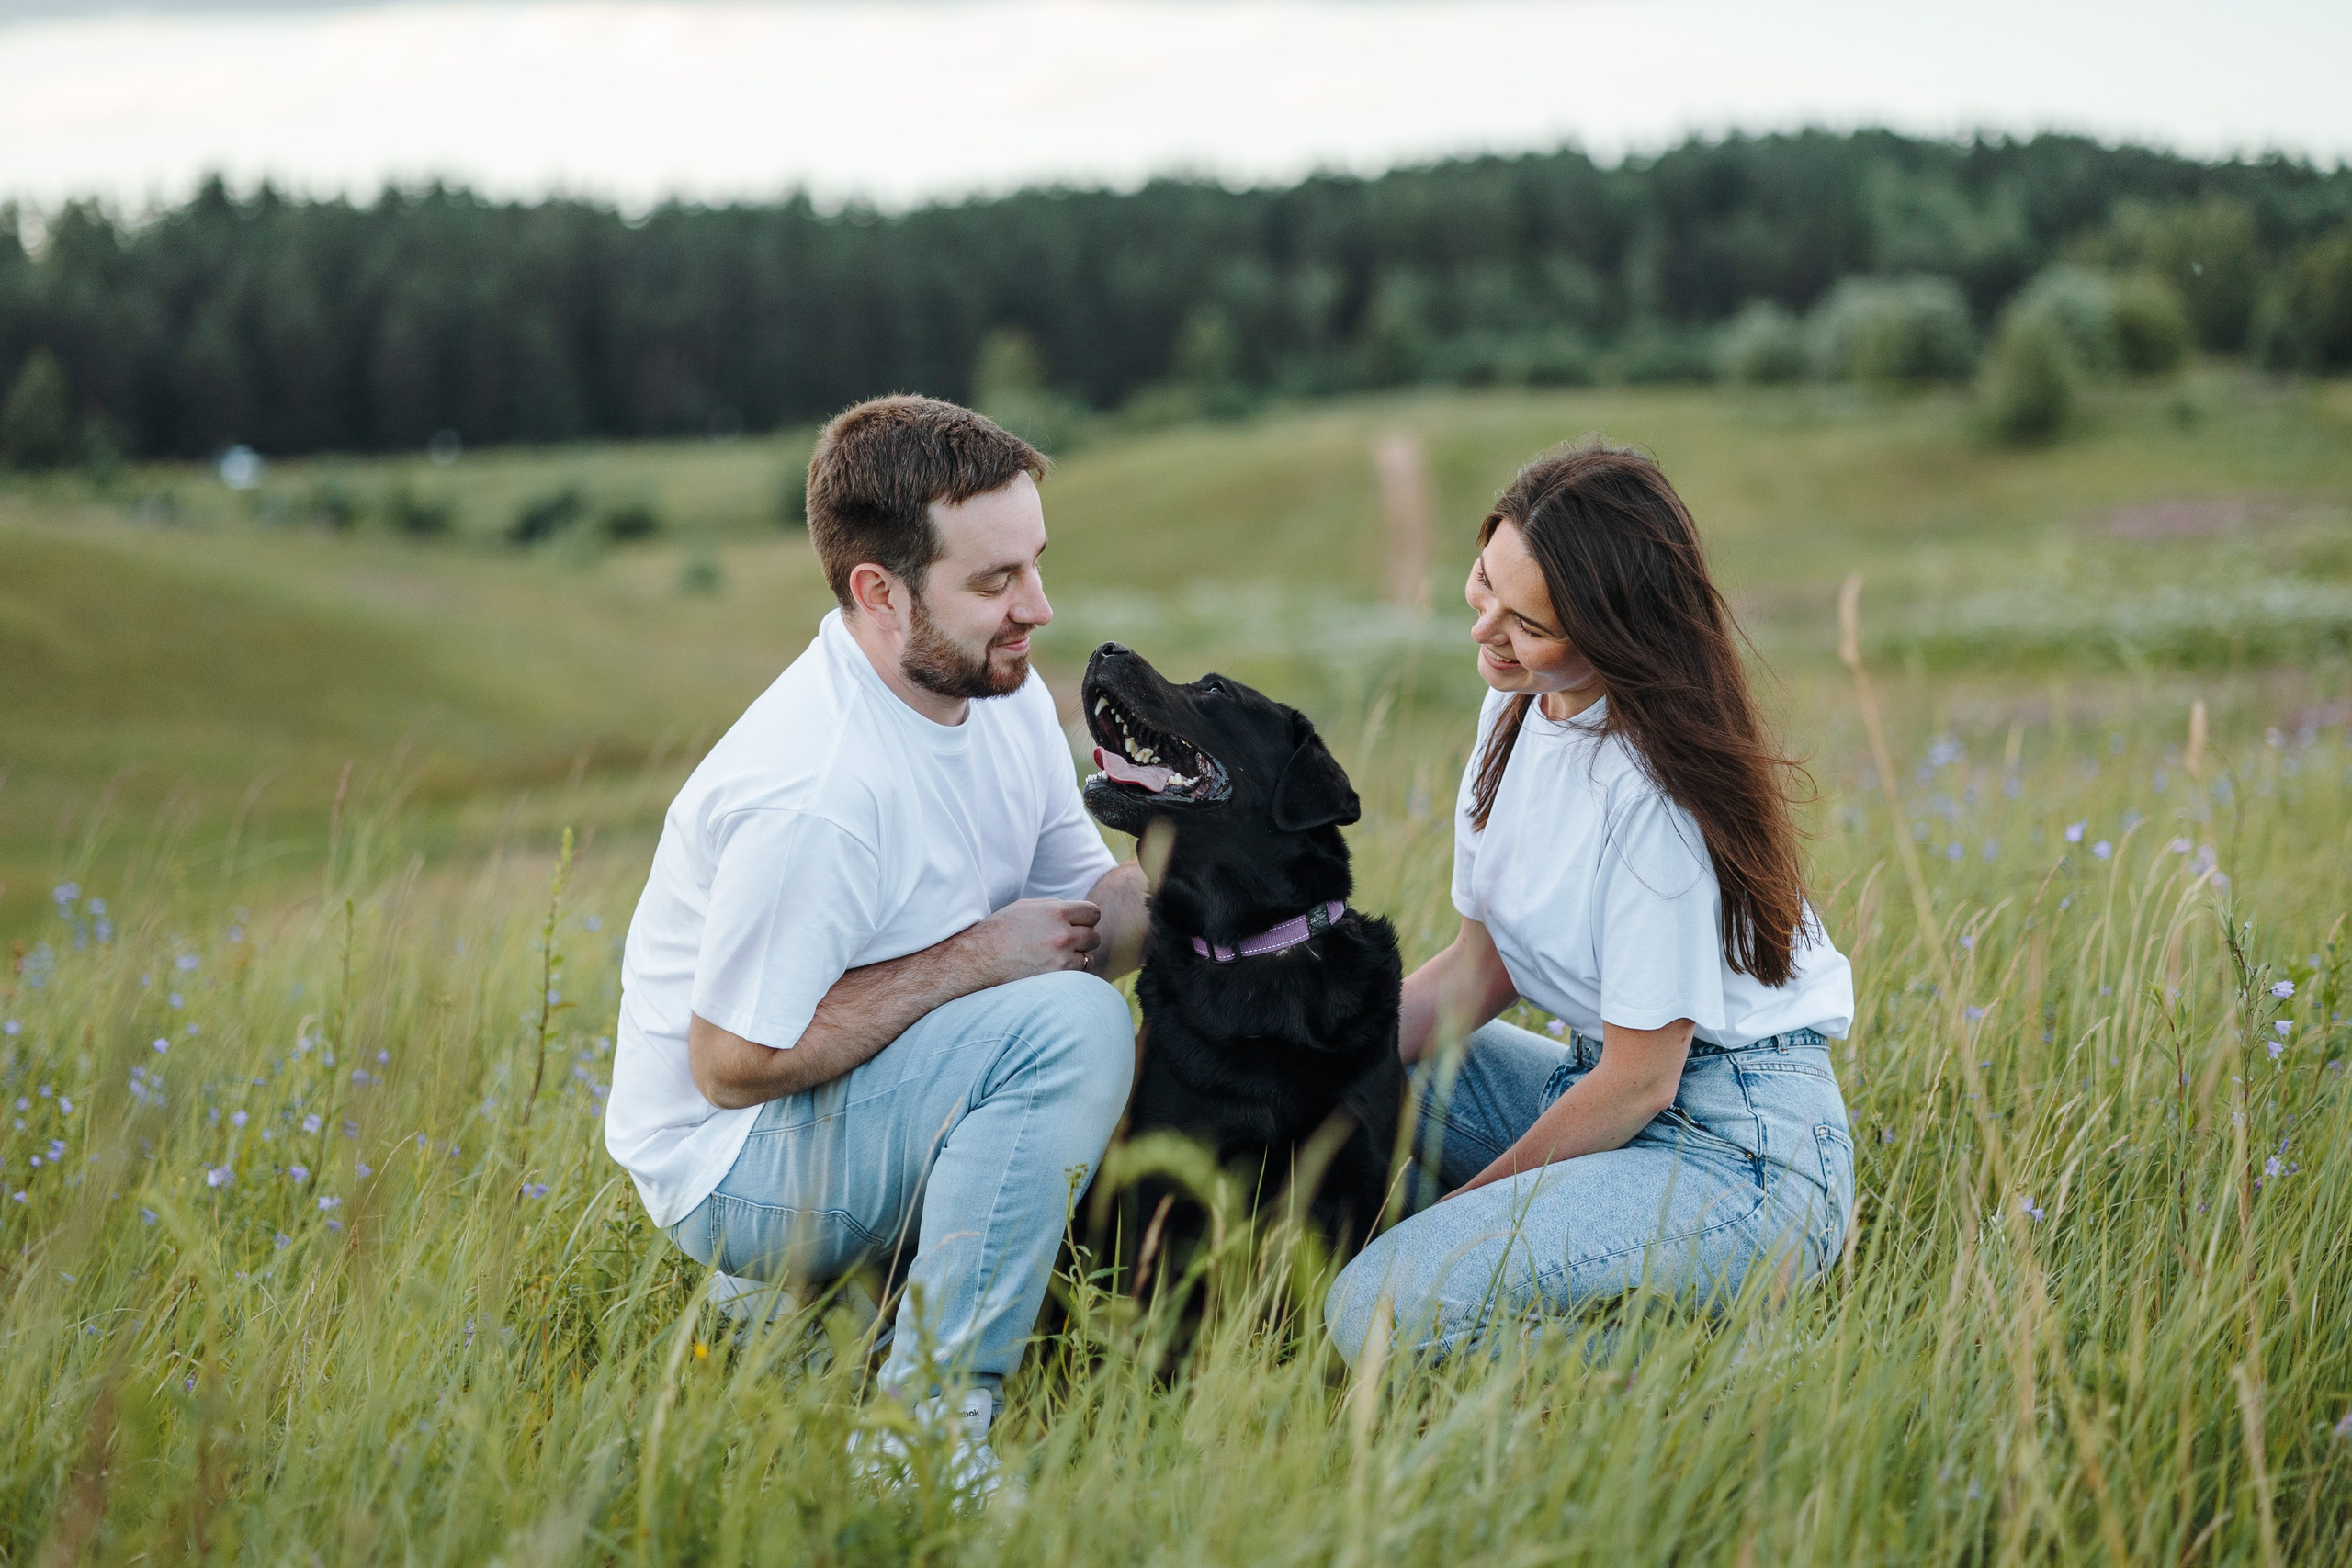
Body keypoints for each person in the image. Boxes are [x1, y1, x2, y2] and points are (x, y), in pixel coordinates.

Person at [606, 395, 1148, 1484]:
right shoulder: (817, 791)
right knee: (1069, 1031)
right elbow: (730, 1065)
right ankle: (921, 1437)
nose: (1037, 607)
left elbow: (1083, 917)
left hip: (857, 1096)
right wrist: (974, 960)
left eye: (1036, 564)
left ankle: (814, 1313)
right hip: (731, 1167)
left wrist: (1221, 866)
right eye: (995, 582)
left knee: (1070, 1010)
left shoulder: (996, 689)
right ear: (879, 593)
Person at [1324, 442, 1855, 1364]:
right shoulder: (1518, 708)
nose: (1484, 628)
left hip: (1736, 1156)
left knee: (1372, 1307)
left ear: (1612, 634)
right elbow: (1480, 965)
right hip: (1602, 1088)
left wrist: (1466, 1214)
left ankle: (1727, 1364)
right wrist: (1298, 1061)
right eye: (1483, 581)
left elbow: (1640, 1081)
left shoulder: (1655, 801)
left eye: (1526, 623)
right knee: (1354, 1071)